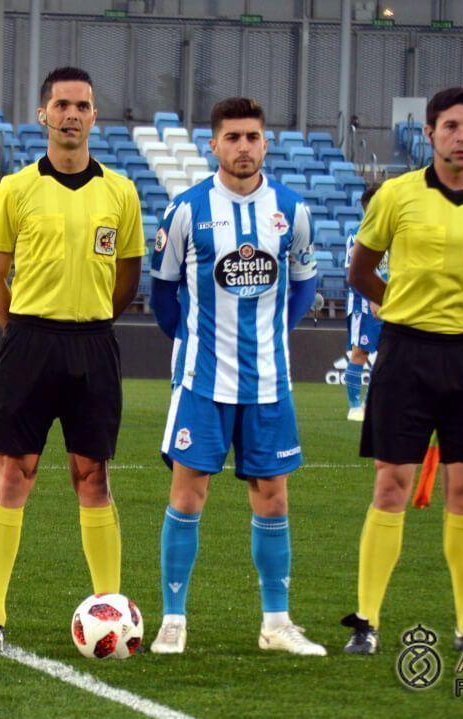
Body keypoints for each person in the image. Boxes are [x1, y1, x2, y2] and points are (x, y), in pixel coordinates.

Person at [340, 87, 463, 655]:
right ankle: (367, 622)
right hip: (406, 354)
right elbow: (361, 272)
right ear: (429, 134)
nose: (461, 136)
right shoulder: (396, 195)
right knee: (391, 484)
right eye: (450, 126)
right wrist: (400, 307)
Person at [0, 66, 144, 652]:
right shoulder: (15, 189)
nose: (72, 114)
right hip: (29, 342)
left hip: (93, 344)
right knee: (13, 473)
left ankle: (111, 612)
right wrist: (18, 334)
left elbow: (127, 277)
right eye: (62, 105)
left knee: (93, 476)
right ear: (43, 114)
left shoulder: (120, 192)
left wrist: (92, 319)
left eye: (82, 106)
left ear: (94, 116)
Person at [147, 97, 324, 656]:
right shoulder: (186, 210)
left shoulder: (291, 210)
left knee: (273, 497)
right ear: (214, 145)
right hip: (202, 380)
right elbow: (162, 295)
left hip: (269, 382)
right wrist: (192, 340)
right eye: (233, 137)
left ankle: (276, 623)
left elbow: (305, 284)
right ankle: (172, 620)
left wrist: (275, 332)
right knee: (188, 493)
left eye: (252, 137)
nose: (243, 147)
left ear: (265, 143)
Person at [342, 184, 384, 422]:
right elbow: (353, 273)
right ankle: (354, 406)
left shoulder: (395, 234)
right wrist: (373, 299)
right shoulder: (358, 234)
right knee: (360, 352)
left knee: (386, 356)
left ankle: (370, 404)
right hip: (364, 304)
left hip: (391, 304)